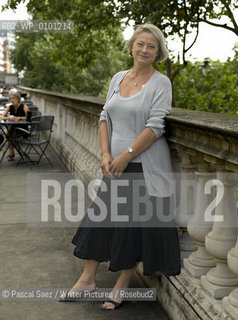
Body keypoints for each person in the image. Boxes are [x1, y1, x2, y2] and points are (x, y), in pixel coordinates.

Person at [59, 23, 181, 310]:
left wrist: (126, 155)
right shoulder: (118, 78)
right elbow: (104, 118)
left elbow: (156, 126)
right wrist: (105, 154)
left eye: (152, 46)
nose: (145, 49)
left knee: (131, 226)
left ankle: (121, 285)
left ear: (158, 52)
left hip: (144, 165)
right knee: (100, 219)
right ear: (131, 46)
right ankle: (86, 280)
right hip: (113, 165)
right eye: (140, 44)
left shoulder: (160, 83)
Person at [1, 92, 29, 161]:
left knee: (9, 135)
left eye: (13, 98)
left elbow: (28, 117)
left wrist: (18, 117)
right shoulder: (9, 107)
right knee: (8, 135)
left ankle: (12, 153)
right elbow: (2, 117)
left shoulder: (24, 106)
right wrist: (8, 118)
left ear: (18, 99)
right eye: (10, 98)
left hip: (23, 128)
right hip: (14, 127)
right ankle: (12, 152)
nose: (12, 100)